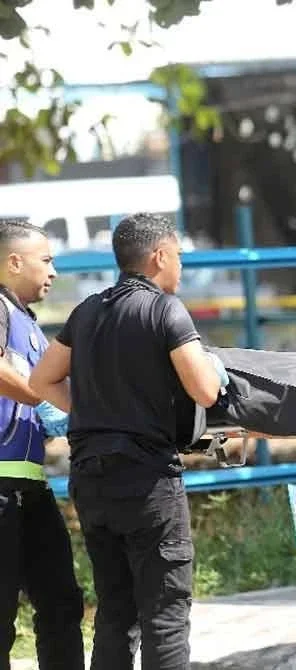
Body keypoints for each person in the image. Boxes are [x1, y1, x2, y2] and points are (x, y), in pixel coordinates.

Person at [29, 212, 229, 670]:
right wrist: (210, 370)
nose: (181, 266)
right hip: (147, 483)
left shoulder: (87, 310)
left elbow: (43, 380)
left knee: (117, 611)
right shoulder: (163, 309)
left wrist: (91, 412)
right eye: (178, 256)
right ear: (159, 256)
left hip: (92, 481)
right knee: (166, 612)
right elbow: (204, 390)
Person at [0, 219, 84, 670]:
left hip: (29, 486)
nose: (53, 271)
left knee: (61, 604)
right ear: (14, 261)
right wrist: (39, 389)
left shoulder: (26, 321)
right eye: (46, 260)